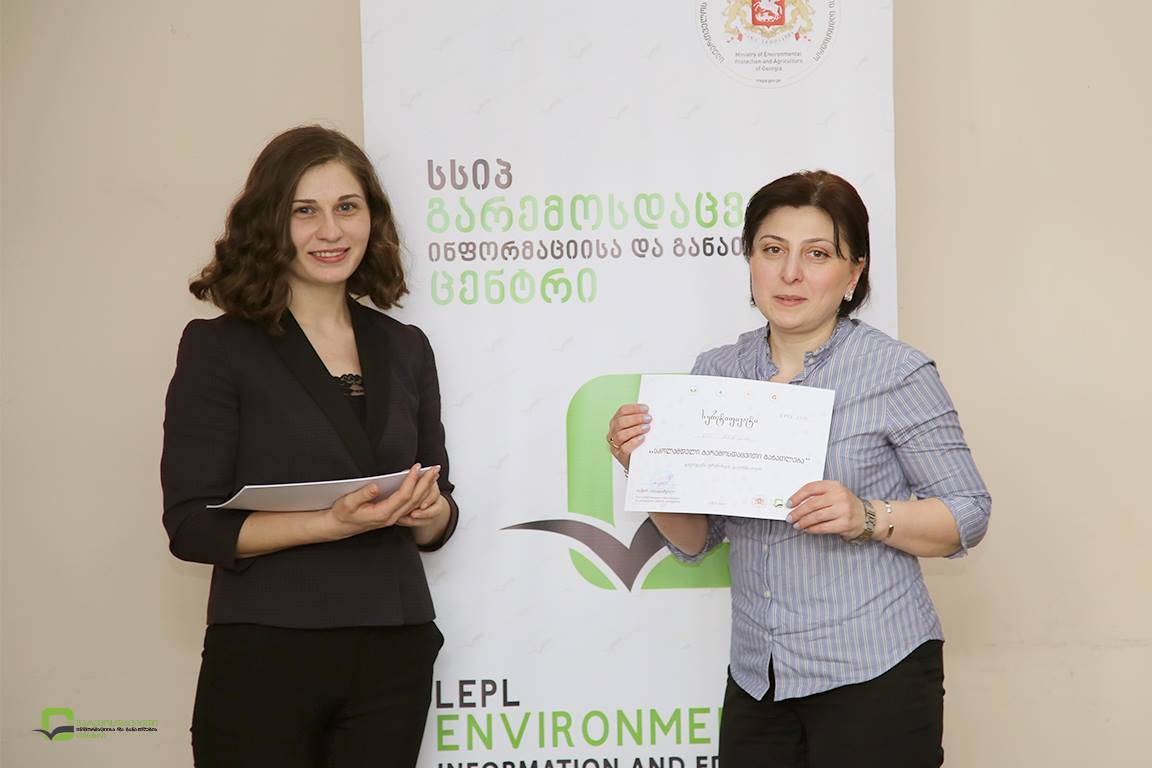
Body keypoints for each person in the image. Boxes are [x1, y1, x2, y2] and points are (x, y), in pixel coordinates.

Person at [606, 171, 990, 768]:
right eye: (772, 249)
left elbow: (968, 513)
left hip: (874, 672)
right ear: (750, 261)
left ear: (853, 273)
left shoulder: (897, 373)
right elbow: (696, 540)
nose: (790, 273)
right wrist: (646, 468)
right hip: (759, 678)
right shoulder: (715, 372)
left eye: (817, 254)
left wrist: (866, 515)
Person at [161, 126, 459, 768]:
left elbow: (440, 516)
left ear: (371, 218)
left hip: (395, 646)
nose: (331, 231)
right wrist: (330, 523)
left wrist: (429, 511)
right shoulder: (219, 349)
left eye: (347, 207)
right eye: (305, 210)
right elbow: (191, 527)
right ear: (270, 221)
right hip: (267, 647)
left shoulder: (406, 347)